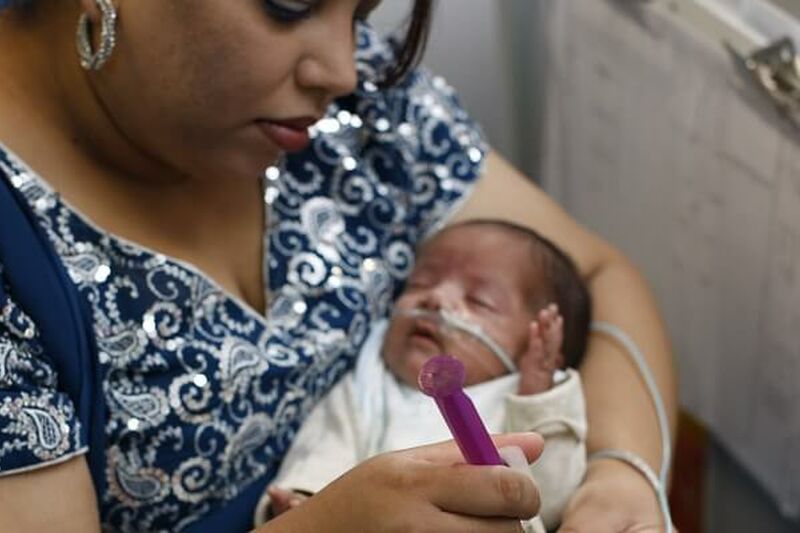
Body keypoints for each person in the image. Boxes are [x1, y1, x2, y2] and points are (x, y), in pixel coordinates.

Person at [0, 1, 677, 532]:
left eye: (360, 13)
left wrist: (621, 473)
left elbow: (596, 278)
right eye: (289, 4)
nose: (343, 70)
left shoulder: (364, 111)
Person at [260, 220, 591, 532]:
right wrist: (307, 501)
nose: (435, 299)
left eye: (479, 301)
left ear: (536, 347)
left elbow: (552, 495)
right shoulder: (370, 383)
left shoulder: (529, 400)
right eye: (419, 283)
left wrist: (538, 395)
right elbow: (326, 442)